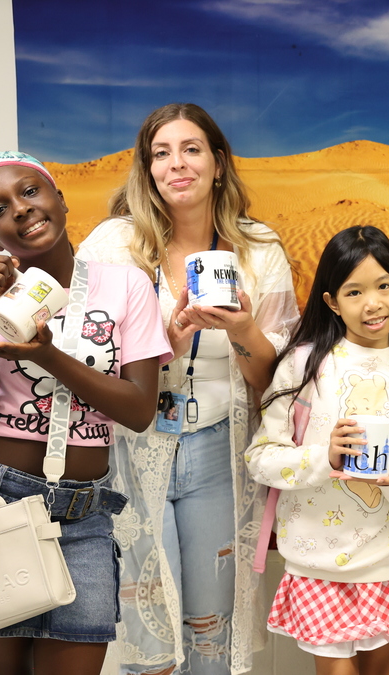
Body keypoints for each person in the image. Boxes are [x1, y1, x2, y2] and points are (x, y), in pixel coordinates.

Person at [76, 103, 299, 675]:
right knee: (148, 636)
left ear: (218, 164)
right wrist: (165, 345)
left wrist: (245, 329)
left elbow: (277, 381)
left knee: (210, 631)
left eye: (192, 149)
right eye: (161, 153)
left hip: (219, 451)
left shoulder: (258, 248)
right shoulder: (110, 247)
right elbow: (83, 360)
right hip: (132, 449)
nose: (177, 164)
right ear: (147, 169)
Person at [0, 151, 171, 675]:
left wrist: (46, 356)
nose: (18, 209)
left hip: (83, 516)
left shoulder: (126, 286)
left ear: (60, 200)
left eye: (29, 192)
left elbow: (137, 411)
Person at [245, 225, 389, 675]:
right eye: (355, 292)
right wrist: (324, 457)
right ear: (332, 301)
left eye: (384, 286)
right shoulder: (303, 365)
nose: (372, 303)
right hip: (318, 563)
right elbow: (261, 458)